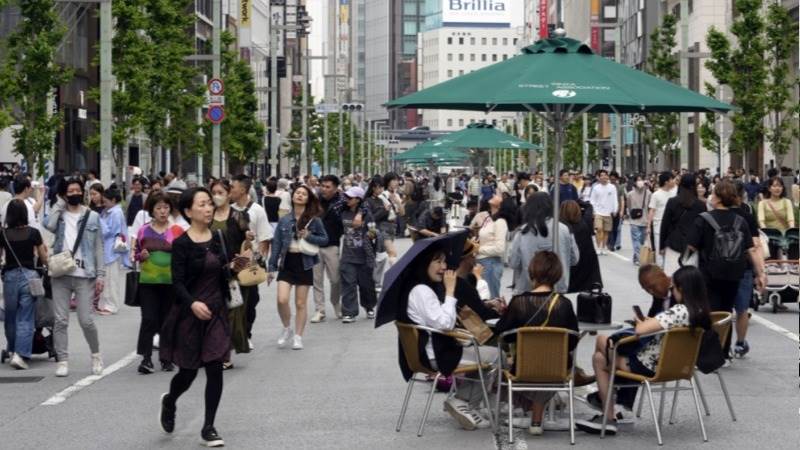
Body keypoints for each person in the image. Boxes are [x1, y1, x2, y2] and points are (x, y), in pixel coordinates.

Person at [577, 266, 712, 435]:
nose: (672, 290)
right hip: (677, 366)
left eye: (674, 287)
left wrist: (641, 322)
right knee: (601, 357)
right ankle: (610, 407)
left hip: (648, 366)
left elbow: (641, 331)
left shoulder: (679, 310)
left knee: (600, 348)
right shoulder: (701, 311)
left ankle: (608, 415)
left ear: (682, 288)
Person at [159, 187, 239, 447]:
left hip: (216, 313)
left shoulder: (219, 237)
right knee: (189, 373)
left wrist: (235, 267)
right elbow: (177, 283)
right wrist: (192, 303)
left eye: (209, 203)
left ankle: (209, 428)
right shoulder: (181, 244)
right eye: (202, 204)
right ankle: (170, 400)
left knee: (215, 368)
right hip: (190, 315)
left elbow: (223, 273)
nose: (208, 208)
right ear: (187, 211)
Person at [402, 249, 496, 430]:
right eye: (437, 262)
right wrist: (451, 291)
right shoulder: (422, 291)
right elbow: (445, 323)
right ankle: (464, 403)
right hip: (436, 355)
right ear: (424, 264)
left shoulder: (417, 287)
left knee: (482, 355)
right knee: (496, 355)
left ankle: (465, 402)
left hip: (430, 351)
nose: (443, 267)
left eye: (444, 262)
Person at [494, 251, 579, 436]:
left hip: (523, 370)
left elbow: (502, 335)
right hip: (557, 370)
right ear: (557, 274)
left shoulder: (518, 302)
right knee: (547, 363)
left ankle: (525, 411)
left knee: (516, 362)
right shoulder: (564, 304)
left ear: (532, 271)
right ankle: (537, 417)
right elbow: (572, 342)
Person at [686, 180, 766, 356]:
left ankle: (710, 351)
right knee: (726, 311)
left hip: (709, 273)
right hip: (734, 273)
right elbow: (750, 248)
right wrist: (760, 273)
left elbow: (690, 247)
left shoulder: (704, 219)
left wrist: (682, 264)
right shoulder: (741, 220)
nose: (711, 197)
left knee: (711, 311)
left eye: (713, 193)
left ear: (718, 197)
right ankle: (724, 351)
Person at [45, 178, 106, 377]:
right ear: (64, 194)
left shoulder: (93, 216)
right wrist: (59, 203)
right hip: (62, 274)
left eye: (77, 190)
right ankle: (62, 360)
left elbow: (98, 247)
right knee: (60, 320)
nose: (73, 194)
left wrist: (100, 274)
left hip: (84, 274)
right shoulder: (60, 214)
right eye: (69, 191)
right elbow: (49, 225)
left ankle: (96, 354)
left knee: (86, 320)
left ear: (83, 192)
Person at [267, 185, 328, 350]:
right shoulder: (285, 220)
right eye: (298, 193)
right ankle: (287, 328)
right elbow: (277, 244)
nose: (300, 195)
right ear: (293, 196)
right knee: (282, 299)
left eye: (304, 194)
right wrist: (271, 267)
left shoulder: (314, 220)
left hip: (304, 262)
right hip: (287, 262)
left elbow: (324, 239)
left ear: (308, 199)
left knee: (301, 303)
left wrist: (309, 236)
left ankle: (298, 336)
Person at [133, 192, 184, 373]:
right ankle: (146, 358)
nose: (163, 211)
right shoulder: (143, 230)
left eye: (166, 207)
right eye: (159, 208)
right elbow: (135, 254)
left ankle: (166, 357)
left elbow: (183, 256)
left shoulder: (177, 231)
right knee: (148, 319)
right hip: (148, 281)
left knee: (167, 320)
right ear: (152, 211)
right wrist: (141, 256)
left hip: (171, 282)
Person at [1, 200, 48, 370]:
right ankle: (20, 355)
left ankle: (13, 349)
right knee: (26, 318)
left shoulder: (3, 234)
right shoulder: (34, 233)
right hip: (30, 277)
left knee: (11, 317)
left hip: (10, 277)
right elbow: (43, 258)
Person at [229, 174, 273, 347]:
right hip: (233, 261)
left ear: (243, 189)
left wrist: (259, 260)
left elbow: (265, 238)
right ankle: (234, 334)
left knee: (251, 300)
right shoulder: (229, 210)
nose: (230, 190)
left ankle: (246, 332)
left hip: (251, 262)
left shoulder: (257, 210)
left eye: (233, 187)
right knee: (233, 298)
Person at [510, 192, 578, 294]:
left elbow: (513, 262)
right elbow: (574, 259)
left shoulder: (522, 232)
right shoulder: (564, 229)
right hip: (557, 287)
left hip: (527, 290)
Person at [730, 181, 767, 352]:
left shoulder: (711, 215)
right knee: (742, 309)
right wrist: (761, 272)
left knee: (721, 310)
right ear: (740, 197)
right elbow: (755, 246)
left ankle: (721, 347)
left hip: (717, 270)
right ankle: (740, 343)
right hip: (743, 267)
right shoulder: (747, 217)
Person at [336, 186, 377, 323]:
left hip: (364, 255)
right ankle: (349, 312)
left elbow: (373, 233)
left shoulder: (367, 214)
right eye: (346, 196)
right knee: (348, 284)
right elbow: (334, 206)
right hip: (348, 254)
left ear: (358, 199)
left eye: (350, 197)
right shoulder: (342, 211)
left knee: (366, 285)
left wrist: (366, 232)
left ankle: (369, 306)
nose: (346, 199)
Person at [311, 175, 345, 323]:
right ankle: (320, 310)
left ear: (336, 188)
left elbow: (360, 206)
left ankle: (336, 303)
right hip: (315, 245)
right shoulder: (315, 201)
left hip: (332, 245)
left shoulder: (342, 202)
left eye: (327, 187)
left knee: (336, 279)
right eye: (322, 186)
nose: (323, 189)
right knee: (316, 280)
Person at [659, 174, 707, 276]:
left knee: (671, 278)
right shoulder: (701, 205)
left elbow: (665, 224)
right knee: (690, 281)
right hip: (692, 247)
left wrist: (662, 246)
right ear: (694, 185)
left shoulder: (672, 202)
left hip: (673, 243)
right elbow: (703, 228)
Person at [470, 194, 512, 298]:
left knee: (490, 299)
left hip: (490, 264)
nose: (494, 195)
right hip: (483, 263)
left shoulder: (500, 222)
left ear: (500, 205)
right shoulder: (490, 219)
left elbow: (499, 249)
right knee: (483, 297)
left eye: (498, 195)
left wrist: (479, 248)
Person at [560, 200, 602, 293]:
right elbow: (589, 207)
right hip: (587, 267)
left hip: (570, 267)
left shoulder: (562, 227)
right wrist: (578, 201)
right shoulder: (585, 222)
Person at [647, 172, 676, 266]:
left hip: (670, 226)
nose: (674, 181)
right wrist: (648, 226)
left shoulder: (674, 195)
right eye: (672, 179)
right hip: (658, 225)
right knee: (659, 248)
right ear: (666, 181)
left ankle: (667, 268)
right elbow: (652, 210)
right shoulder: (656, 194)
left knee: (669, 249)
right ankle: (660, 269)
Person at [589, 170, 618, 255]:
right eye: (601, 175)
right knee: (599, 229)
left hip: (608, 212)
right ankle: (598, 247)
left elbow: (615, 199)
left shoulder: (612, 187)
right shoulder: (596, 188)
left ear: (607, 177)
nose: (603, 177)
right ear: (599, 177)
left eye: (605, 175)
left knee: (606, 231)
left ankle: (604, 247)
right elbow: (592, 200)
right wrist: (593, 211)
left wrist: (615, 209)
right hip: (598, 212)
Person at [379, 173, 404, 266]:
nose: (396, 182)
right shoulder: (383, 195)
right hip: (383, 225)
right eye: (394, 180)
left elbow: (402, 213)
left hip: (393, 226)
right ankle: (394, 276)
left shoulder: (396, 195)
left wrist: (398, 202)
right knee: (392, 253)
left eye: (397, 180)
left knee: (382, 254)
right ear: (387, 182)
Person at [626, 175, 651, 265]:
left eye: (641, 180)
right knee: (636, 239)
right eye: (638, 180)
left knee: (641, 240)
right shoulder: (630, 194)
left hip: (645, 220)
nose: (640, 182)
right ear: (635, 182)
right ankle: (640, 258)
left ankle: (636, 256)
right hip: (634, 220)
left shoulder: (648, 193)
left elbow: (650, 207)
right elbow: (629, 206)